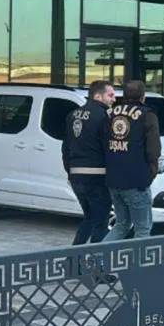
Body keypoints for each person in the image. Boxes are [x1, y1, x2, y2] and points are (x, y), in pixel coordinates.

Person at [104, 80, 161, 241]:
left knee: (121, 225)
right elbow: (153, 149)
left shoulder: (110, 114)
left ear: (124, 95)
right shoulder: (147, 115)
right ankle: (139, 259)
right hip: (136, 180)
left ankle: (98, 255)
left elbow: (102, 143)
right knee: (143, 229)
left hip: (113, 179)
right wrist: (152, 172)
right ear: (143, 96)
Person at [63, 80, 114, 245]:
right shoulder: (104, 116)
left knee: (90, 218)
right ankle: (97, 259)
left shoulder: (72, 115)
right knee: (100, 223)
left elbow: (66, 148)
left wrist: (70, 172)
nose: (113, 99)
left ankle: (74, 256)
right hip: (97, 176)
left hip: (76, 175)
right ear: (98, 96)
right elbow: (109, 148)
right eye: (110, 95)